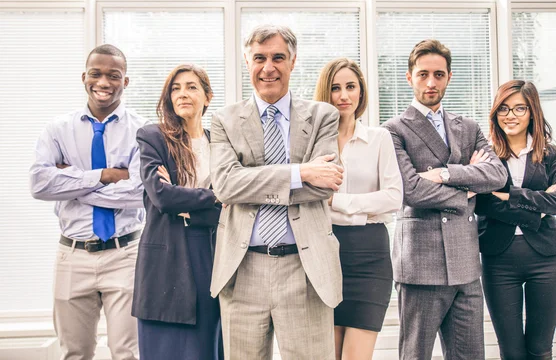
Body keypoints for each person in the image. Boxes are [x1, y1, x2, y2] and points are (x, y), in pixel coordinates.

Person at [209, 24, 344, 360]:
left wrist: (251, 181)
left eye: (277, 58)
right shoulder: (224, 120)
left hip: (305, 266)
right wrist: (301, 172)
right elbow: (225, 184)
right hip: (243, 269)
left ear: (293, 61)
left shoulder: (322, 115)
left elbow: (325, 184)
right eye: (259, 58)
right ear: (246, 60)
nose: (268, 67)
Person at [381, 39, 507, 360]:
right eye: (423, 74)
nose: (431, 82)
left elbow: (496, 175)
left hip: (466, 265)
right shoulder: (393, 130)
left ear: (449, 76)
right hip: (421, 265)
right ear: (409, 77)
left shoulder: (468, 127)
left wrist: (446, 174)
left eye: (438, 74)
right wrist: (468, 186)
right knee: (415, 355)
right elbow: (412, 190)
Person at [29, 44, 147, 360]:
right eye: (96, 74)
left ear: (126, 81)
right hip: (73, 255)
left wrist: (72, 181)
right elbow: (40, 184)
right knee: (75, 353)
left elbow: (140, 194)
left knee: (128, 353)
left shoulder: (142, 131)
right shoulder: (58, 129)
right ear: (84, 77)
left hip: (126, 255)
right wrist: (105, 175)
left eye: (114, 75)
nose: (104, 82)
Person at [476, 80, 556, 360]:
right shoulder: (485, 156)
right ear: (496, 113)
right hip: (499, 262)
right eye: (504, 108)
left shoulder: (549, 154)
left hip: (548, 261)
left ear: (532, 112)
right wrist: (540, 205)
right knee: (512, 352)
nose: (511, 115)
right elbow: (482, 203)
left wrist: (509, 197)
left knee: (539, 351)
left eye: (520, 108)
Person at [313, 57, 403, 360]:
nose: (343, 96)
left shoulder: (379, 138)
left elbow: (394, 197)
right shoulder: (312, 144)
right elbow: (306, 199)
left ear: (361, 92)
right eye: (335, 88)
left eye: (351, 87)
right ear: (325, 94)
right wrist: (364, 208)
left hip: (370, 256)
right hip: (323, 253)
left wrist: (336, 202)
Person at [132, 64, 223, 359]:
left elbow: (234, 204)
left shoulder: (221, 143)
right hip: (165, 259)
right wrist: (213, 196)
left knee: (205, 348)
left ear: (207, 97)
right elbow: (162, 197)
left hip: (211, 254)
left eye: (192, 87)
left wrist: (190, 206)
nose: (183, 93)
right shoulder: (152, 137)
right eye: (176, 88)